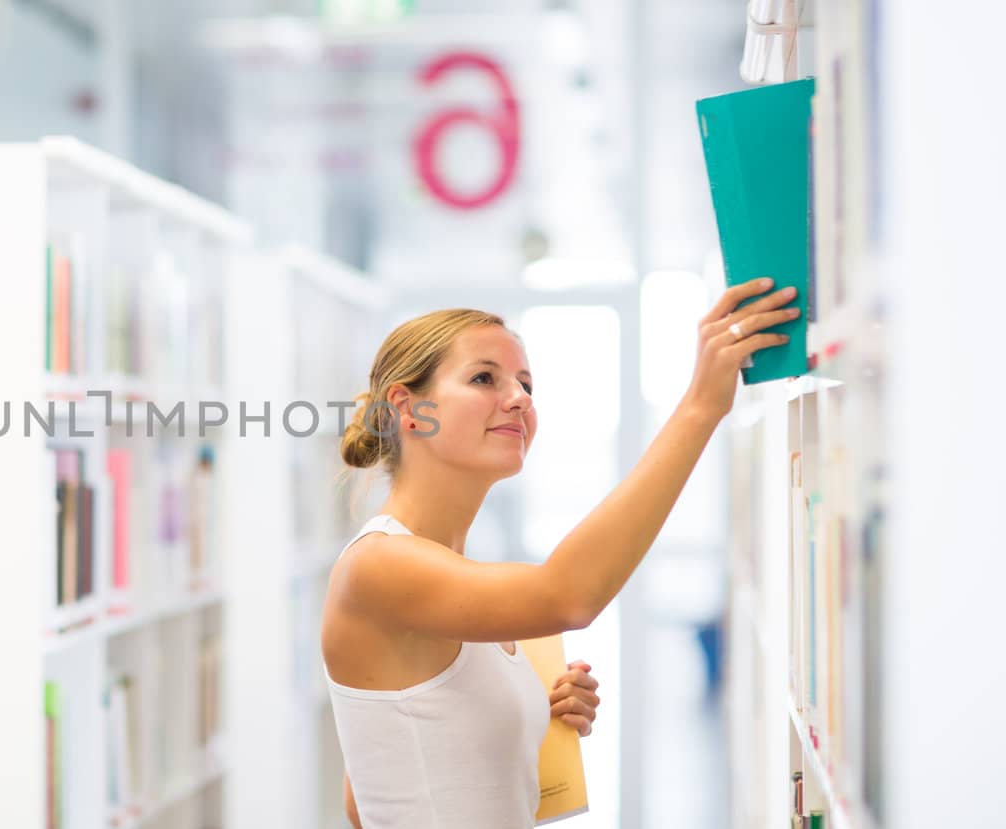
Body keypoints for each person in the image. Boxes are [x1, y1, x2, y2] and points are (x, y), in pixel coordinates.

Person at [323, 277, 798, 828]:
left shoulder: (452, 575)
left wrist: (536, 717)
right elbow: (568, 595)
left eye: (527, 384)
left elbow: (369, 792)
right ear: (409, 409)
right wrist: (700, 407)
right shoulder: (379, 564)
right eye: (484, 378)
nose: (520, 399)